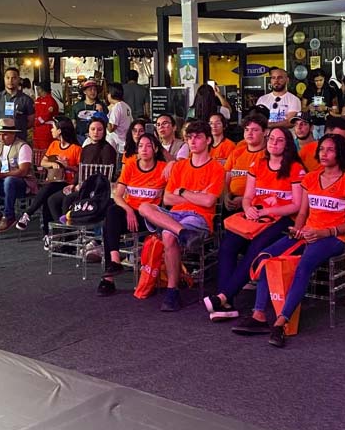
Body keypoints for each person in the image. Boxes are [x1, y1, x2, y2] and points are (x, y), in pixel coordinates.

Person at [233, 134, 345, 347]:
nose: (324, 154)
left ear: (340, 154)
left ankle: (282, 322)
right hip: (307, 234)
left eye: (330, 150)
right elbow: (302, 213)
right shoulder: (311, 178)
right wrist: (297, 230)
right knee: (267, 257)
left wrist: (325, 233)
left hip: (334, 237)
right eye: (321, 150)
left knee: (303, 266)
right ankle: (259, 315)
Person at [207, 126, 305, 322]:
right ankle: (226, 304)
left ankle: (224, 296)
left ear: (287, 145)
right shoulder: (258, 164)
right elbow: (248, 196)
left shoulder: (295, 168)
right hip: (255, 218)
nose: (274, 143)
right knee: (227, 246)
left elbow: (296, 205)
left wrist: (267, 211)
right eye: (271, 139)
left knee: (256, 248)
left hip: (282, 220)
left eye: (279, 140)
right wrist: (248, 207)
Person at [139, 120, 226, 312]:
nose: (192, 141)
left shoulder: (216, 168)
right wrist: (196, 195)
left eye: (198, 137)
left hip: (199, 217)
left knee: (168, 235)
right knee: (145, 207)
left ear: (208, 140)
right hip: (176, 217)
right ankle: (183, 233)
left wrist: (183, 192)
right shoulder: (179, 167)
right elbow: (168, 199)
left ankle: (172, 291)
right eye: (189, 137)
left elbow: (208, 202)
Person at [98, 133, 167, 295]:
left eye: (149, 146)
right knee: (112, 213)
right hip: (130, 213)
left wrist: (171, 163)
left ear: (156, 149)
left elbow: (181, 168)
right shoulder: (130, 165)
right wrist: (128, 210)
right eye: (141, 146)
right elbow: (117, 194)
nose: (144, 149)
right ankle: (115, 261)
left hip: (149, 216)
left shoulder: (163, 168)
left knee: (108, 226)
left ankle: (108, 279)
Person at [15, 117, 81, 245]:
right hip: (54, 180)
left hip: (67, 182)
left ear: (60, 131)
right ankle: (47, 235)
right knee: (46, 195)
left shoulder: (76, 149)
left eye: (53, 128)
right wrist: (53, 164)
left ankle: (28, 214)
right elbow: (43, 162)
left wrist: (67, 166)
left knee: (48, 191)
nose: (51, 130)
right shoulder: (54, 145)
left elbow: (80, 169)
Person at [46, 117, 117, 229]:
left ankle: (69, 235)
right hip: (81, 185)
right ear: (88, 131)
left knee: (68, 200)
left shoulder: (108, 149)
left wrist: (84, 186)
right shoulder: (86, 148)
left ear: (104, 132)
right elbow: (81, 169)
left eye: (99, 130)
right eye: (93, 129)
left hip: (95, 190)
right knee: (52, 200)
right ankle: (62, 231)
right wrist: (73, 184)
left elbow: (105, 175)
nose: (96, 132)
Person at [0, 118, 35, 233]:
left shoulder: (22, 147)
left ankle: (9, 216)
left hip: (22, 185)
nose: (1, 138)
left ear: (13, 134)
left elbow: (23, 171)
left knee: (9, 180)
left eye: (5, 135)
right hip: (2, 183)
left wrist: (2, 175)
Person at [224, 113, 267, 212]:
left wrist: (245, 200)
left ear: (265, 132)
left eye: (254, 130)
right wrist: (226, 197)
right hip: (232, 201)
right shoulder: (236, 153)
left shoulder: (268, 155)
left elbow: (268, 187)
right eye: (247, 129)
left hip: (257, 205)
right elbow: (226, 180)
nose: (249, 133)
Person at [0, 67, 34, 141]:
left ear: (19, 79)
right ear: (4, 79)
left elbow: (31, 121)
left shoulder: (26, 100)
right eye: (8, 78)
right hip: (0, 141)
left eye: (14, 78)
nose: (10, 81)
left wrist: (19, 127)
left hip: (19, 139)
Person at [302, 69, 340, 139]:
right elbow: (303, 109)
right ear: (313, 80)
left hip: (326, 124)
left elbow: (336, 109)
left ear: (324, 79)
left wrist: (326, 108)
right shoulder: (308, 90)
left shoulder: (330, 90)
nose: (318, 83)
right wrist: (309, 107)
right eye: (316, 81)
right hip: (312, 124)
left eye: (320, 80)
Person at [106, 81, 133, 153]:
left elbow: (111, 129)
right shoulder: (126, 106)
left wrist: (104, 119)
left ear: (111, 94)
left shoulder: (117, 107)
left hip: (117, 145)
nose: (107, 96)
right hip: (124, 142)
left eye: (108, 93)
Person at [33, 80, 59, 151]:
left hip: (46, 129)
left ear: (42, 89)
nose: (37, 90)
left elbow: (47, 115)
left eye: (38, 88)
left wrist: (38, 121)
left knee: (45, 149)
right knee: (37, 149)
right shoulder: (38, 100)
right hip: (37, 130)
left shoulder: (50, 101)